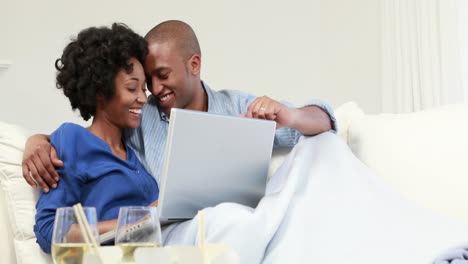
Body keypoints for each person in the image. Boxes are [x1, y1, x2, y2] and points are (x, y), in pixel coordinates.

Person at [22, 19, 337, 192]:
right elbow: (91, 140)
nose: (155, 90)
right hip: (174, 236)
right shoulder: (141, 116)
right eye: (148, 81)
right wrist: (37, 140)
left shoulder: (238, 105)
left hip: (237, 223)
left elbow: (324, 121)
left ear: (194, 64)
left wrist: (290, 115)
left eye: (162, 76)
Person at [34, 23, 158, 253]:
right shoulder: (73, 140)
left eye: (144, 90)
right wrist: (137, 224)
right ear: (100, 92)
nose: (142, 98)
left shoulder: (134, 150)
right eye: (132, 89)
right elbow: (49, 229)